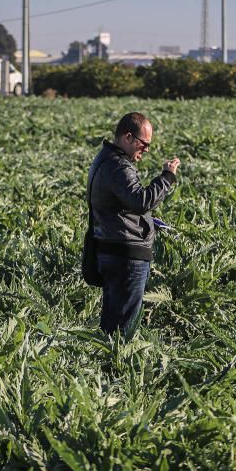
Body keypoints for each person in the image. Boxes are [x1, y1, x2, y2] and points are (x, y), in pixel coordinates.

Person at [88, 112, 180, 338]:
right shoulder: (119, 166)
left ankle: (104, 366)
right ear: (128, 137)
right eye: (144, 143)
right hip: (125, 256)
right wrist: (167, 177)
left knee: (111, 326)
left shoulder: (104, 159)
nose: (146, 149)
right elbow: (141, 201)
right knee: (123, 332)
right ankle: (116, 370)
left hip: (111, 249)